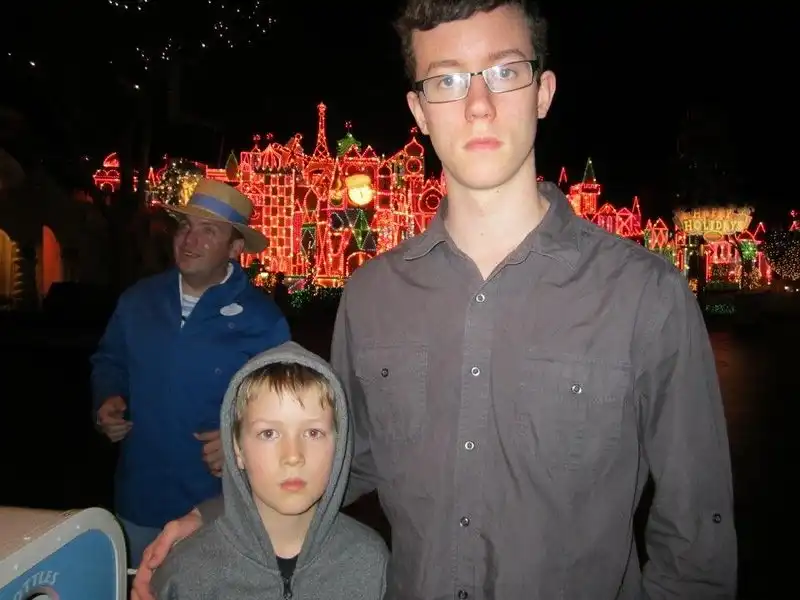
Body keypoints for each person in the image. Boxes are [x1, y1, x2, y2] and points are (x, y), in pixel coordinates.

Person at [133, 1, 738, 598]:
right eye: (447, 80)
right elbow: (341, 461)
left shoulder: (644, 294)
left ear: (543, 92)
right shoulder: (372, 295)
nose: (478, 104)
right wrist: (214, 518)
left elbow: (696, 539)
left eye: (504, 71)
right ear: (418, 111)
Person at [93, 179, 291, 568]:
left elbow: (285, 408)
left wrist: (242, 441)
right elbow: (110, 361)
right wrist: (107, 399)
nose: (189, 239)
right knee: (139, 587)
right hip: (139, 498)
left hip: (218, 507)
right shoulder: (138, 301)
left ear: (234, 249)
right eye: (185, 226)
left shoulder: (263, 319)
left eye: (209, 230)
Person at [149, 341, 388, 598]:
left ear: (339, 447)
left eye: (313, 433)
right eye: (269, 433)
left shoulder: (370, 563)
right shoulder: (185, 575)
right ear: (237, 450)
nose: (293, 456)